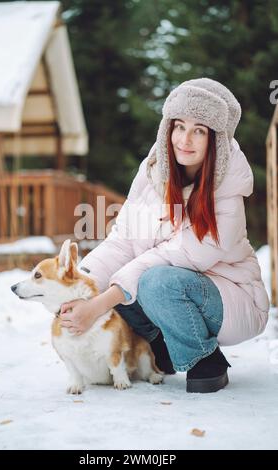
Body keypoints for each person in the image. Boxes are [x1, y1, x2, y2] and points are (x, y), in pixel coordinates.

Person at [60, 78, 270, 393]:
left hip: (234, 299)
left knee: (154, 281)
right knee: (116, 284)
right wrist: (80, 287)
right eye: (179, 126)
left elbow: (180, 255)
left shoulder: (228, 190)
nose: (185, 139)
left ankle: (205, 359)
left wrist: (100, 303)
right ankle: (164, 350)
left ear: (216, 140)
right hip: (174, 293)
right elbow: (124, 241)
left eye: (200, 130)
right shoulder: (154, 170)